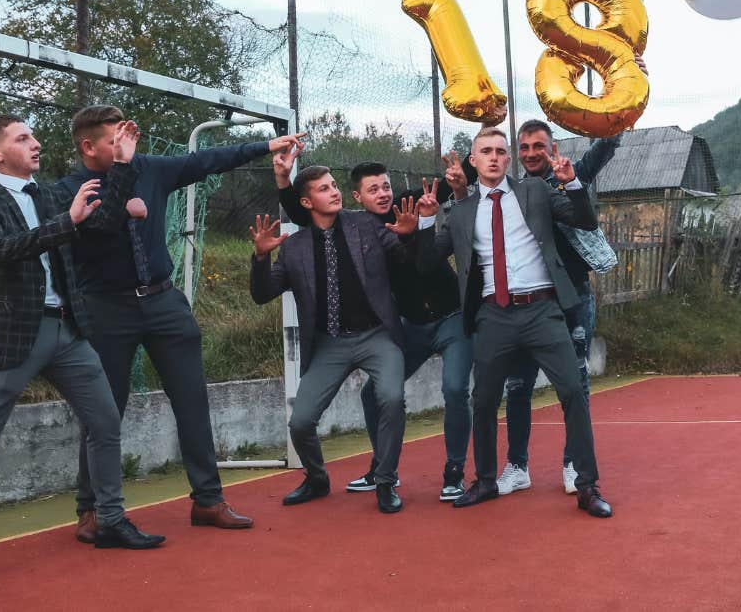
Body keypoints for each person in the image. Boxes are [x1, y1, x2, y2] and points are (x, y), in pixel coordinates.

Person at [0, 115, 162, 596]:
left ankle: (111, 522)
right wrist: (66, 223)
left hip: (67, 333)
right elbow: (2, 250)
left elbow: (108, 221)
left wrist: (120, 166)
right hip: (17, 336)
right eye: (23, 138)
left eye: (33, 136)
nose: (35, 143)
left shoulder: (50, 193)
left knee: (105, 422)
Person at [59, 104, 304, 540]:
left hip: (163, 302)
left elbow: (205, 161)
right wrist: (119, 167)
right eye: (117, 137)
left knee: (192, 400)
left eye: (128, 135)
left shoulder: (151, 169)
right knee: (103, 412)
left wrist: (267, 144)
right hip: (106, 308)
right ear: (88, 145)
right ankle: (91, 510)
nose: (128, 144)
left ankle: (208, 500)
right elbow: (100, 225)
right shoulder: (71, 190)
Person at [414, 126, 613, 518]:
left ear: (509, 159)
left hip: (542, 309)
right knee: (483, 399)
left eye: (500, 151)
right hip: (493, 315)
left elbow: (584, 220)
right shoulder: (462, 211)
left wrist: (572, 184)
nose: (493, 157)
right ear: (473, 161)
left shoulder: (535, 191)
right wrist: (423, 222)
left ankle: (587, 485)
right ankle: (486, 479)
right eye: (484, 151)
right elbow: (425, 263)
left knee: (573, 389)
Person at [274, 148, 477, 501]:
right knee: (374, 393)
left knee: (456, 390)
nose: (382, 194)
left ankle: (453, 472)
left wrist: (466, 172)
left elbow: (443, 189)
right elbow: (303, 212)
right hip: (411, 326)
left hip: (450, 318)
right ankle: (384, 470)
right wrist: (282, 180)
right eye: (373, 190)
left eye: (386, 187)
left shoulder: (406, 207)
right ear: (357, 198)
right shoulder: (354, 225)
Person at [249, 165, 420, 513]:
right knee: (300, 422)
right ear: (306, 202)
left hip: (377, 335)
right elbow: (262, 293)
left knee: (390, 397)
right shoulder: (294, 247)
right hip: (329, 343)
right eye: (324, 189)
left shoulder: (367, 225)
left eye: (334, 185)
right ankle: (317, 479)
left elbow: (405, 261)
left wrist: (407, 235)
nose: (334, 191)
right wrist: (261, 256)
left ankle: (386, 481)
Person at [498, 119, 620, 496]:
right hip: (528, 303)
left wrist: (622, 109)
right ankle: (517, 466)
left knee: (576, 386)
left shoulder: (571, 175)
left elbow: (605, 146)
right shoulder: (511, 191)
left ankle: (573, 464)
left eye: (539, 146)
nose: (532, 153)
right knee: (518, 386)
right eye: (525, 147)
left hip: (572, 299)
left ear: (552, 148)